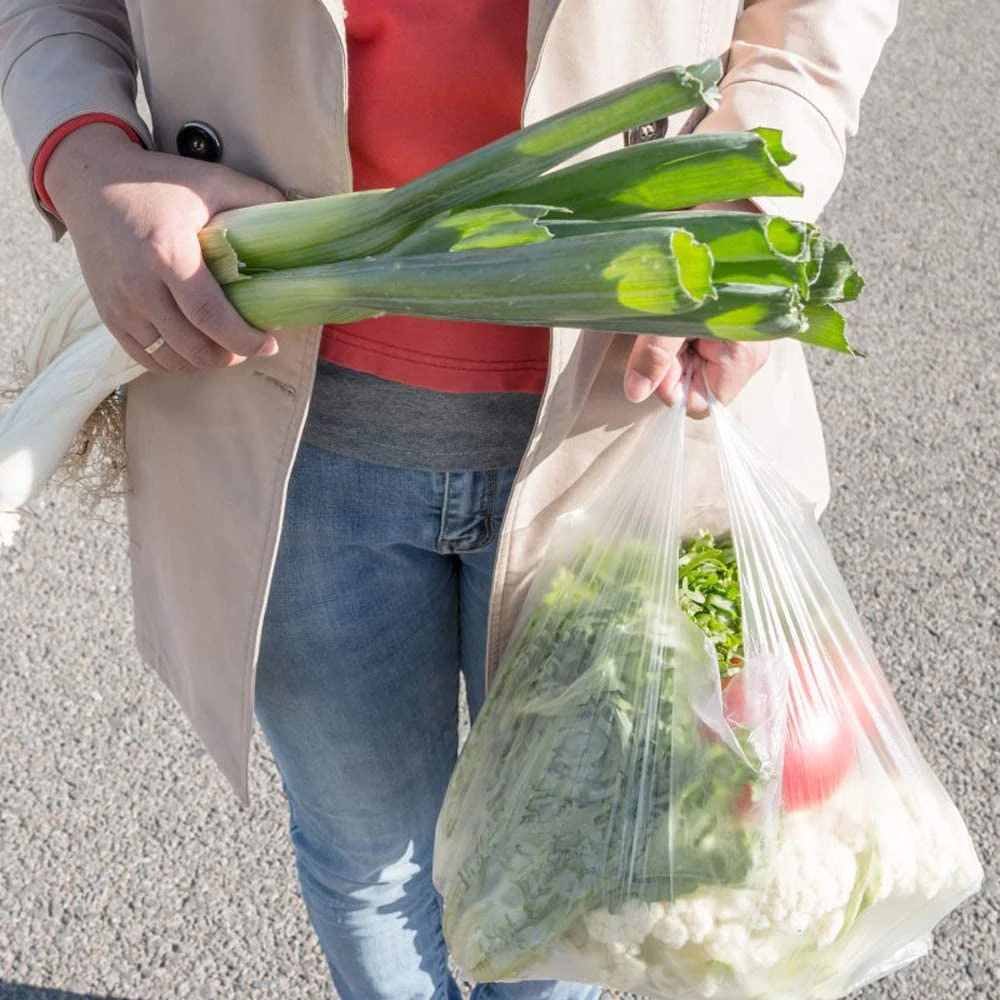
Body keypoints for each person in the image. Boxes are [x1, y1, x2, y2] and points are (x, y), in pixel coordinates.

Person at [0, 1, 897, 996]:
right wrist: (88, 162)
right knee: (364, 853)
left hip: (618, 402)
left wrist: (752, 190)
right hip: (276, 412)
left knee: (571, 865)